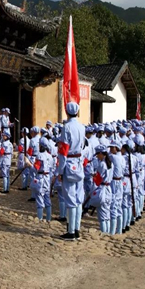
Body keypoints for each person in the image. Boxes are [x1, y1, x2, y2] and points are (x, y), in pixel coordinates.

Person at [57, 102, 85, 241]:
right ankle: (77, 228)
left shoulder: (66, 128)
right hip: (79, 163)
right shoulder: (82, 127)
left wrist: (60, 171)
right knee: (79, 198)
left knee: (70, 199)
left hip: (69, 163)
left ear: (66, 112)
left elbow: (63, 151)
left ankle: (71, 231)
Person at [91, 144, 113, 234]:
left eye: (97, 154)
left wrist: (94, 176)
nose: (97, 156)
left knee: (102, 215)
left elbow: (98, 180)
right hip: (109, 188)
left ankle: (104, 233)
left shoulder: (102, 164)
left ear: (101, 153)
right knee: (107, 213)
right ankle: (107, 232)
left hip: (102, 188)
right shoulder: (110, 163)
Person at [31, 137, 54, 221]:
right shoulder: (50, 156)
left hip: (40, 178)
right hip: (47, 178)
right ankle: (48, 218)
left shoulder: (39, 156)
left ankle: (40, 218)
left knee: (40, 198)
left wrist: (29, 164)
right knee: (47, 198)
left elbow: (36, 168)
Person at [109, 141, 125, 234]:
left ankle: (112, 231)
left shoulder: (114, 157)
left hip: (115, 181)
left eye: (112, 148)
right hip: (120, 181)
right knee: (118, 205)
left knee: (114, 206)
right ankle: (119, 230)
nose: (111, 149)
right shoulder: (122, 157)